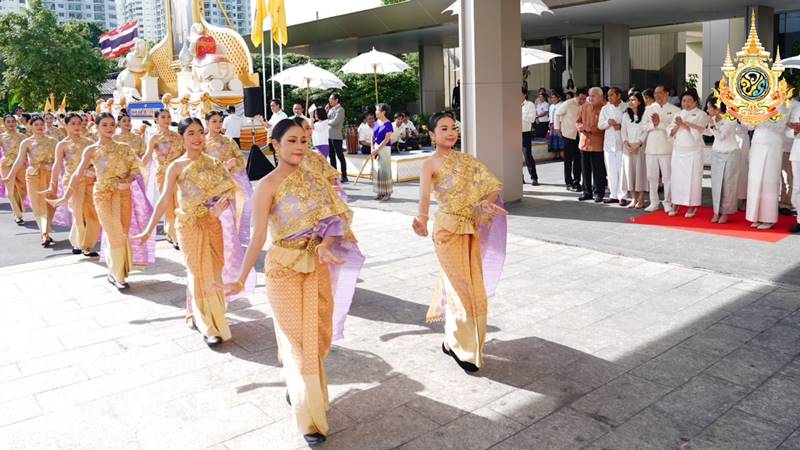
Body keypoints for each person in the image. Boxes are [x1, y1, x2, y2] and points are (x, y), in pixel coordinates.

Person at [217, 118, 364, 445]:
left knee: (319, 336)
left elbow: (332, 221)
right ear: (275, 145)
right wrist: (241, 277)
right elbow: (257, 237)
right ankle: (309, 417)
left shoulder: (315, 179)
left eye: (303, 140)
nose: (299, 146)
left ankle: (301, 388)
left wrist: (326, 247)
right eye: (292, 141)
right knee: (300, 343)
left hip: (316, 266)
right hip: (283, 267)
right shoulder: (266, 185)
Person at [136, 118, 252, 346]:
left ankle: (206, 313)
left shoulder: (214, 163)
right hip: (189, 225)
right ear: (182, 138)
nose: (197, 137)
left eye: (200, 132)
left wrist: (221, 206)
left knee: (214, 270)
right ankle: (208, 324)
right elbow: (164, 198)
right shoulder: (177, 166)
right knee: (199, 272)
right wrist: (149, 229)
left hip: (213, 224)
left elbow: (230, 190)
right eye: (191, 133)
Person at [412, 111, 507, 373]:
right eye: (443, 128)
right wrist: (420, 220)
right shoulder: (429, 164)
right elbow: (423, 200)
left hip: (470, 229)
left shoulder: (468, 161)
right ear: (431, 134)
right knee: (459, 288)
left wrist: (485, 205)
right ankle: (463, 348)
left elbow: (493, 185)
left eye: (453, 127)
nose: (451, 132)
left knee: (473, 286)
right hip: (445, 231)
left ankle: (451, 339)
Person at [50, 113, 154, 290]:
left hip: (123, 195)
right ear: (96, 127)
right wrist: (65, 196)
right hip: (103, 195)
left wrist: (127, 181)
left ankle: (117, 268)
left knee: (123, 231)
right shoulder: (91, 150)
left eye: (112, 125)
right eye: (105, 125)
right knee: (114, 233)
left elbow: (137, 169)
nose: (109, 128)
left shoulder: (125, 147)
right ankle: (117, 275)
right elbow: (77, 173)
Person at [47, 113, 99, 255]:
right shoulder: (62, 144)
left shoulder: (89, 142)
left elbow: (97, 161)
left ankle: (87, 246)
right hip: (72, 183)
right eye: (73, 123)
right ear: (66, 125)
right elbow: (57, 165)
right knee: (78, 214)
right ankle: (78, 243)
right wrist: (53, 184)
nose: (76, 126)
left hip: (90, 181)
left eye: (79, 123)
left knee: (91, 214)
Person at [2, 115, 57, 246]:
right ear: (31, 127)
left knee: (50, 204)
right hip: (33, 175)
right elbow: (20, 160)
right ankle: (44, 233)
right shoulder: (26, 142)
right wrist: (10, 175)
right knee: (37, 205)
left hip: (49, 175)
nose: (39, 127)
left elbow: (60, 160)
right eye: (36, 124)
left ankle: (47, 229)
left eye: (41, 124)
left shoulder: (53, 141)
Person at [205, 110, 253, 244]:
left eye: (220, 121)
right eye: (214, 121)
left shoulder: (229, 140)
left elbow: (242, 160)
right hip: (210, 187)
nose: (218, 124)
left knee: (231, 216)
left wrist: (234, 163)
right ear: (207, 123)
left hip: (229, 185)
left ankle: (232, 245)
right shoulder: (201, 143)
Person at [141, 109, 184, 249]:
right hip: (163, 175)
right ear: (156, 120)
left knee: (179, 203)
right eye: (163, 117)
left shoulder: (178, 136)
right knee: (168, 205)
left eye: (168, 116)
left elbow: (185, 154)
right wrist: (135, 168)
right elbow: (147, 157)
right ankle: (173, 235)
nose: (167, 119)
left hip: (179, 174)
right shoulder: (154, 138)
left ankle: (176, 234)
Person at [746, 103, 789, 229]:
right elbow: (749, 126)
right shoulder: (758, 104)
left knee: (768, 181)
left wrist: (763, 118)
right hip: (757, 143)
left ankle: (768, 218)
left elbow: (780, 127)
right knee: (755, 180)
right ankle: (756, 216)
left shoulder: (782, 106)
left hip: (772, 144)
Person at [667, 89, 708, 218]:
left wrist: (684, 125)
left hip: (693, 151)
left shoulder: (701, 114)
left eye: (689, 101)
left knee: (693, 179)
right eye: (684, 101)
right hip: (679, 150)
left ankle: (692, 205)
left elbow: (699, 132)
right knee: (677, 178)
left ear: (695, 101)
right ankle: (676, 203)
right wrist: (676, 127)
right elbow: (670, 131)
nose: (686, 103)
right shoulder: (678, 114)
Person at [643, 85, 681, 212]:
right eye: (655, 93)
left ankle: (668, 202)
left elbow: (674, 127)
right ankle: (654, 202)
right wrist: (654, 125)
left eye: (660, 93)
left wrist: (660, 123)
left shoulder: (675, 109)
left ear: (666, 94)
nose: (657, 95)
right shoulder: (649, 109)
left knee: (667, 177)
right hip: (651, 148)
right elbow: (643, 126)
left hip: (666, 148)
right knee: (651, 176)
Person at [704, 98, 741, 224]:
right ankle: (716, 211)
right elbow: (709, 133)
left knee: (728, 184)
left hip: (730, 153)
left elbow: (721, 136)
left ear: (717, 108)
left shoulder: (730, 119)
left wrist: (713, 125)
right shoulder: (713, 119)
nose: (707, 110)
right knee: (715, 183)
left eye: (709, 107)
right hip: (717, 153)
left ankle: (725, 212)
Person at [598, 86, 628, 205]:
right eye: (608, 95)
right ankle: (613, 194)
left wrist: (621, 127)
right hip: (609, 144)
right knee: (611, 171)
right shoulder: (605, 108)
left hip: (622, 143)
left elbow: (631, 124)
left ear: (619, 95)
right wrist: (608, 123)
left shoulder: (626, 107)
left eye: (612, 95)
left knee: (622, 171)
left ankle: (623, 196)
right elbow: (600, 125)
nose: (609, 97)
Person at [576, 87, 606, 202]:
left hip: (597, 144)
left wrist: (589, 129)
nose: (590, 98)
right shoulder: (584, 107)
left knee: (598, 170)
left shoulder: (603, 109)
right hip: (584, 142)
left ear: (600, 97)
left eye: (593, 96)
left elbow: (602, 127)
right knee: (585, 169)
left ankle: (599, 193)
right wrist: (580, 127)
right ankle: (587, 192)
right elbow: (578, 121)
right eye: (590, 95)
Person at [620, 91, 648, 209]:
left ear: (639, 102)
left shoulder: (645, 114)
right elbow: (623, 131)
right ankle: (633, 198)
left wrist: (638, 144)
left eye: (633, 100)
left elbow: (646, 131)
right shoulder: (626, 115)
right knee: (629, 172)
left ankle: (641, 198)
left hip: (640, 147)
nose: (630, 102)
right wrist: (626, 144)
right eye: (629, 100)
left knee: (640, 172)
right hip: (628, 148)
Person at [555, 88, 586, 191]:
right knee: (568, 160)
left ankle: (576, 182)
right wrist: (557, 128)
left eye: (584, 99)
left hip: (580, 135)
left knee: (578, 159)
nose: (582, 101)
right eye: (580, 98)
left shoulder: (585, 104)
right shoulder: (568, 103)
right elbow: (557, 114)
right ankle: (568, 183)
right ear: (576, 96)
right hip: (568, 134)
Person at [0, 115, 27, 224]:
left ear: (16, 123)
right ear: (4, 123)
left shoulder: (22, 137)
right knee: (9, 191)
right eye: (8, 122)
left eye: (13, 121)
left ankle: (19, 209)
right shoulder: (1, 137)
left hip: (20, 164)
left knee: (22, 189)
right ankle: (17, 215)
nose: (11, 124)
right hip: (6, 164)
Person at [372, 103, 394, 201]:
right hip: (376, 148)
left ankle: (387, 193)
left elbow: (386, 139)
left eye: (377, 110)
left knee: (385, 170)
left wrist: (377, 149)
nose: (375, 112)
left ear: (383, 112)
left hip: (384, 149)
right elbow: (372, 137)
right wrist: (372, 149)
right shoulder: (376, 123)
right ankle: (380, 192)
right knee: (378, 171)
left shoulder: (388, 124)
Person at [327, 93, 348, 182]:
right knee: (331, 156)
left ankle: (344, 175)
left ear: (336, 100)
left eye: (331, 99)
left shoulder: (340, 109)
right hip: (329, 135)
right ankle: (334, 175)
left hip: (336, 136)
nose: (330, 101)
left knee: (340, 156)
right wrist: (326, 112)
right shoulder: (331, 109)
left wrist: (326, 120)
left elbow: (335, 122)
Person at [787, 102, 800, 233]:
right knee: (797, 188)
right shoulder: (796, 109)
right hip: (797, 152)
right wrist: (794, 131)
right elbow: (786, 130)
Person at [521, 89, 539, 185]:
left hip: (525, 133)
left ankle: (534, 177)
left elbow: (532, 119)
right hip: (512, 133)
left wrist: (519, 115)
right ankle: (520, 177)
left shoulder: (530, 105)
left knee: (527, 155)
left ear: (524, 95)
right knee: (514, 157)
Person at [547, 90, 565, 159]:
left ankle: (562, 155)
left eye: (554, 97)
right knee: (554, 140)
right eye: (552, 98)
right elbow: (550, 115)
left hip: (559, 125)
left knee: (560, 140)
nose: (553, 99)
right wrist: (549, 122)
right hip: (552, 125)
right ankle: (556, 155)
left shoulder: (562, 105)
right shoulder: (551, 106)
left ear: (559, 98)